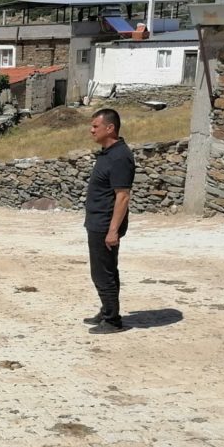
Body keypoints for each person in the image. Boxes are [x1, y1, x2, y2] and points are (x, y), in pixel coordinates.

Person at [84, 108, 135, 334]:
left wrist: (113, 230)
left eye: (96, 126)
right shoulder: (108, 153)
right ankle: (107, 310)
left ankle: (112, 320)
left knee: (102, 273)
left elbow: (122, 196)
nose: (92, 130)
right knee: (106, 270)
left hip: (105, 224)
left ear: (110, 128)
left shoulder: (120, 157)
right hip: (98, 221)